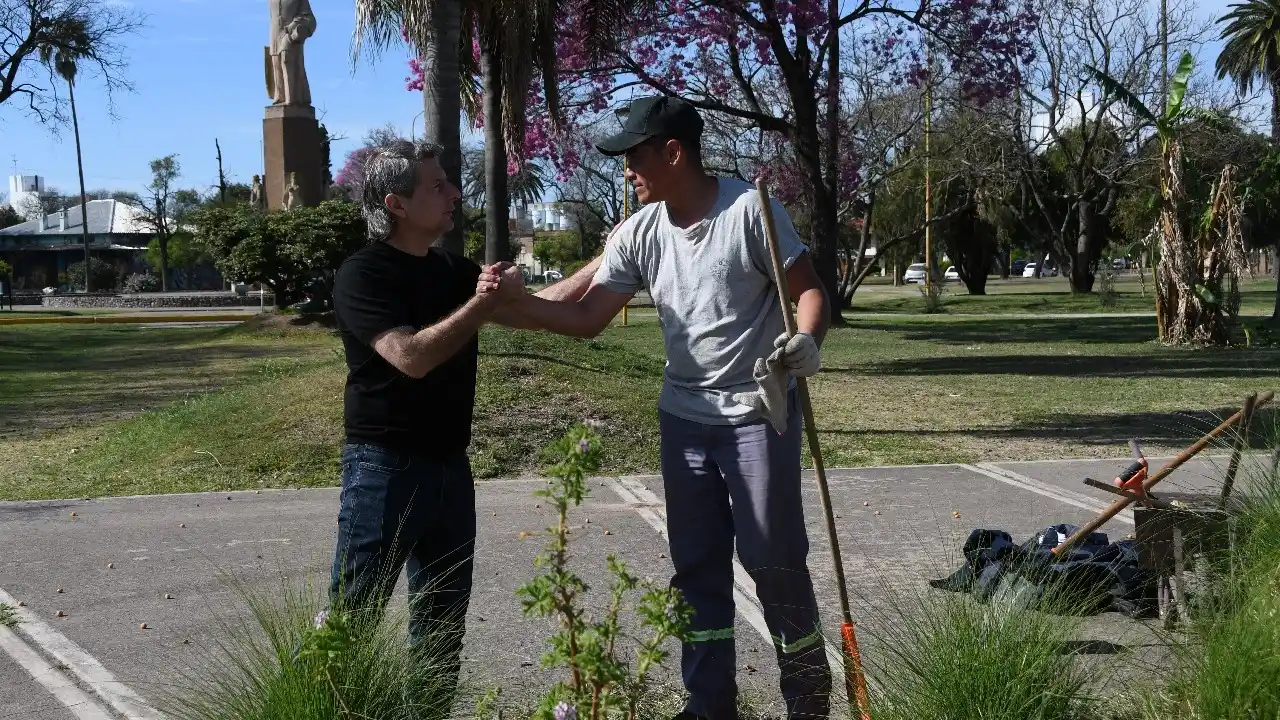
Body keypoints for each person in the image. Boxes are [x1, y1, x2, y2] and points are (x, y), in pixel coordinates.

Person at [481, 95, 833, 720]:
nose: (625, 171)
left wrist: (805, 339)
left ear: (674, 152)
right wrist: (511, 306)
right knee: (696, 567)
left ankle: (807, 699)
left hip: (757, 415)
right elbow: (588, 316)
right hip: (684, 423)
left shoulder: (751, 211)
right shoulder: (641, 231)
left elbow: (808, 291)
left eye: (634, 157)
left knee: (773, 563)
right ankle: (708, 706)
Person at [328, 139, 566, 711]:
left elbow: (538, 309)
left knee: (441, 628)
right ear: (397, 204)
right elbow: (410, 356)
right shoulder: (364, 274)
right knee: (350, 621)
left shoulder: (451, 271)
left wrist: (617, 258)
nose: (454, 193)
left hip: (450, 470)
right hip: (383, 469)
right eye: (438, 186)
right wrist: (481, 305)